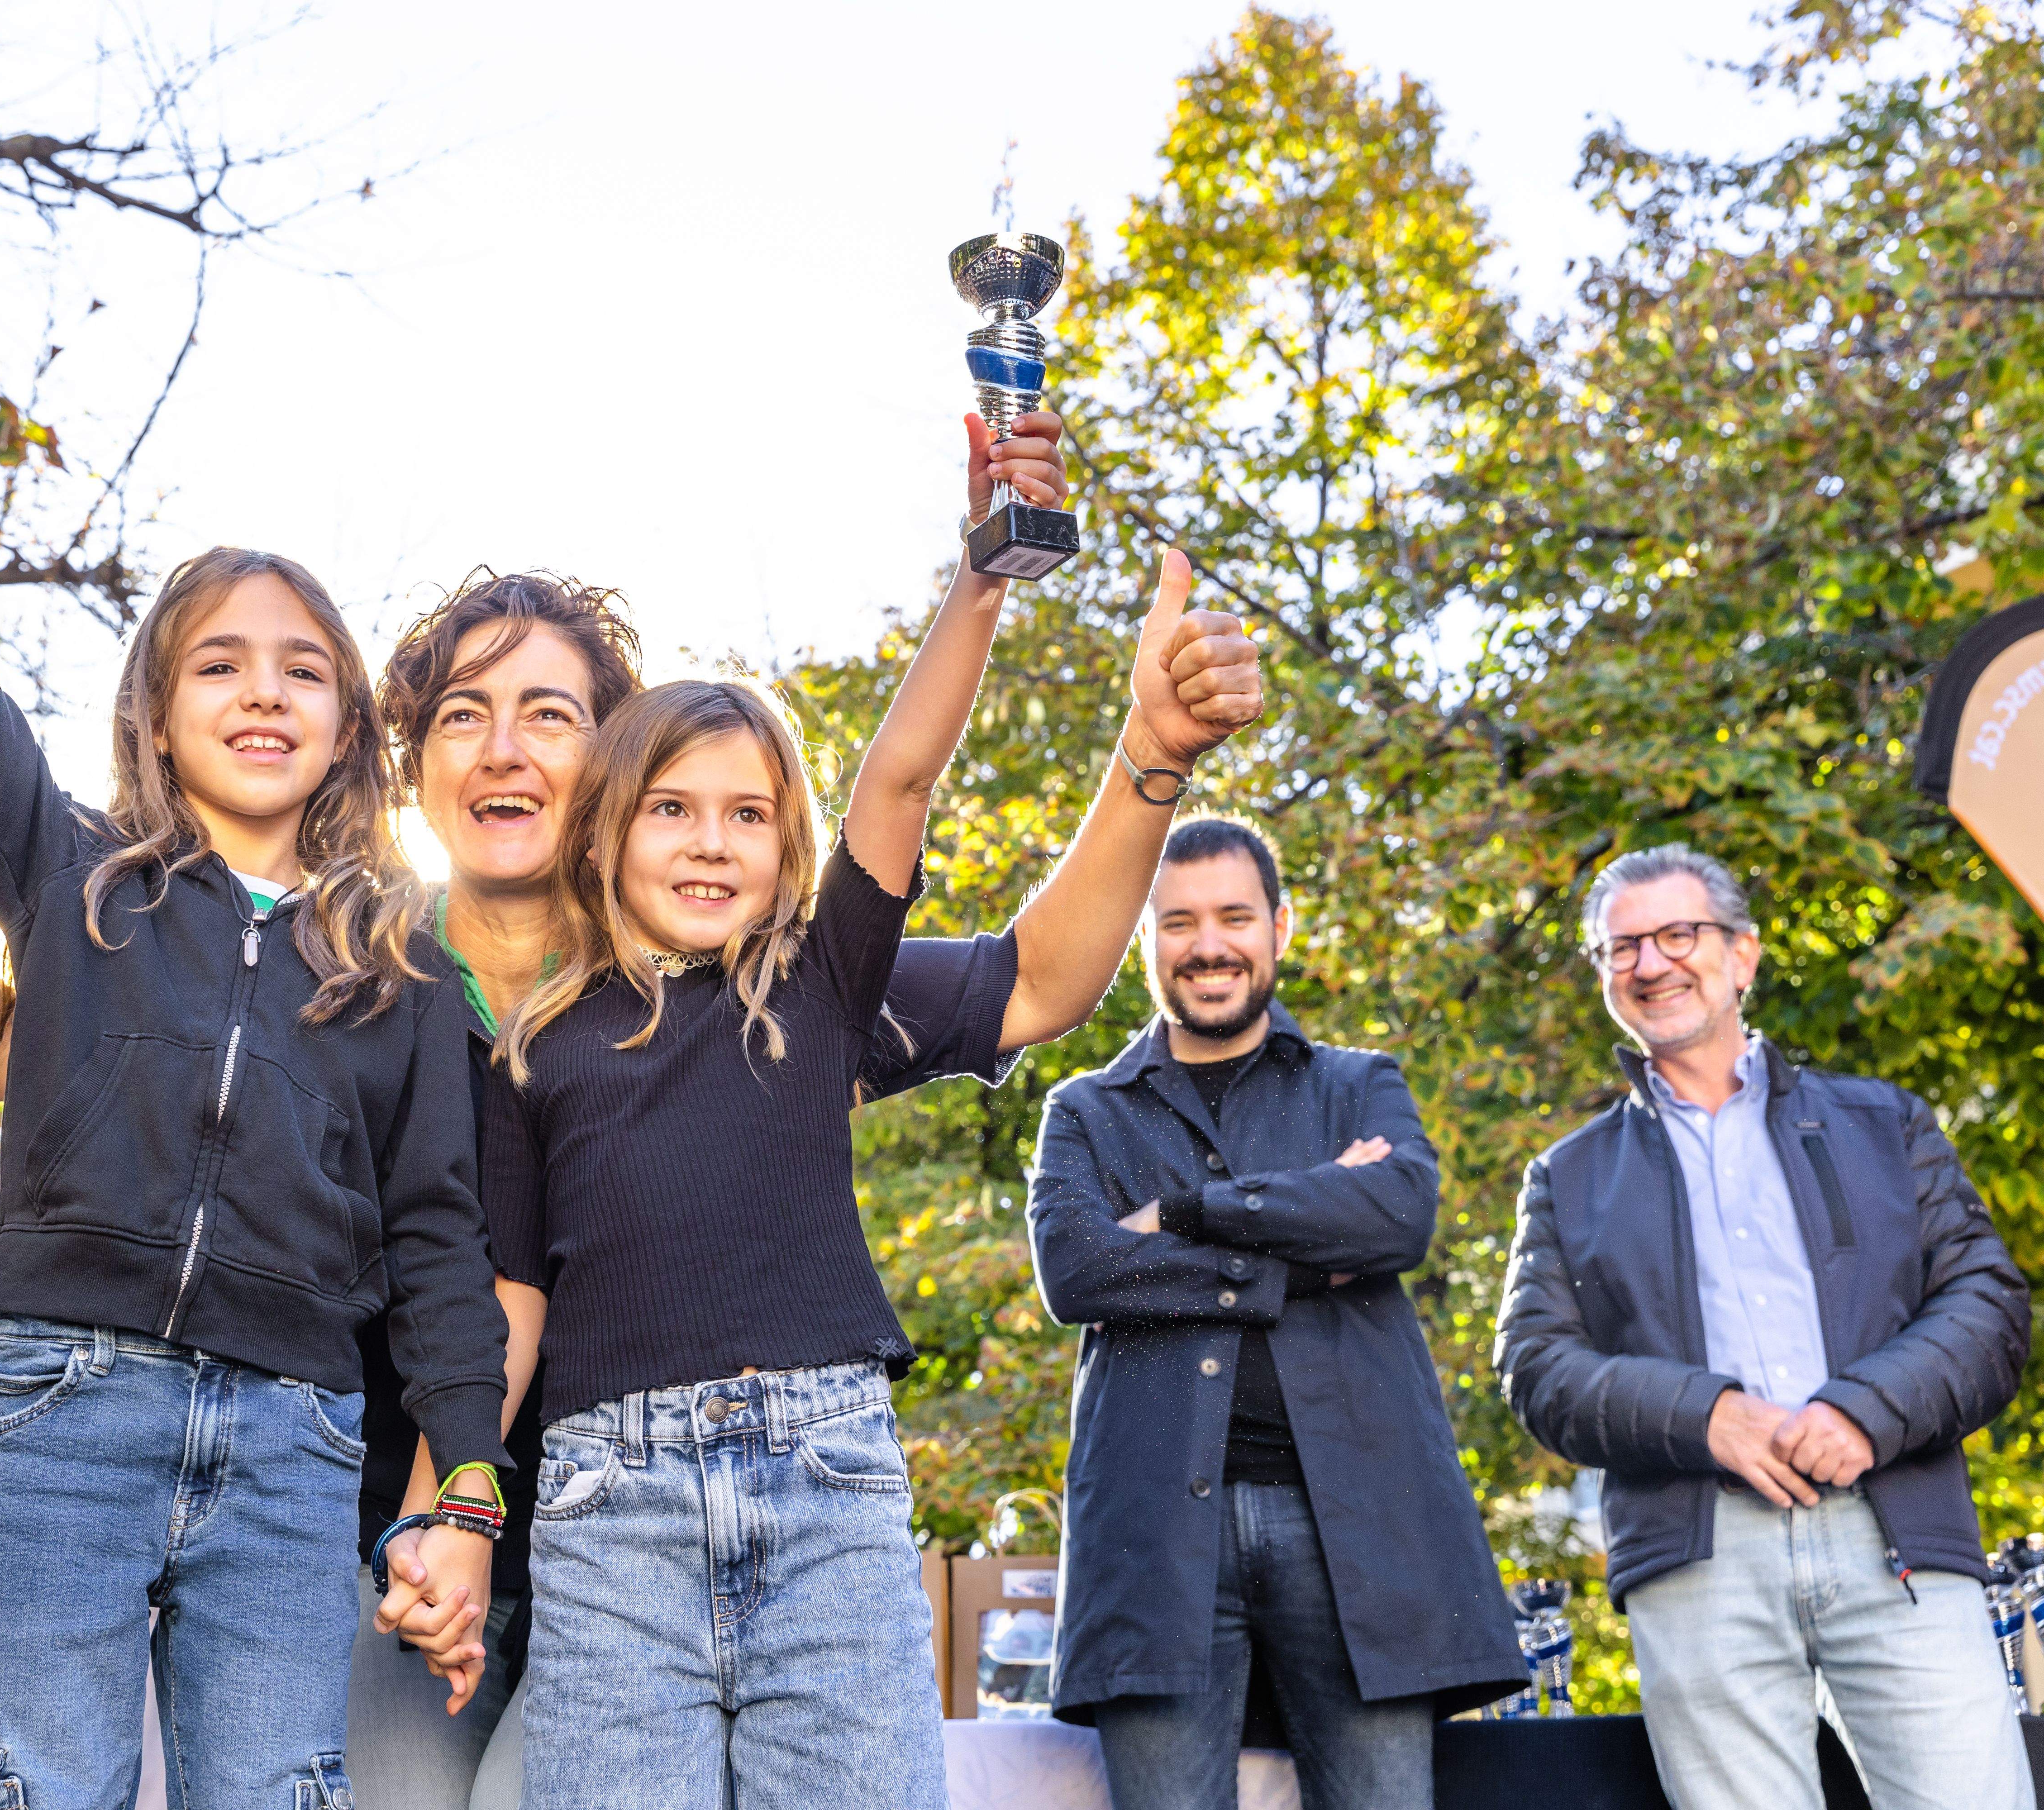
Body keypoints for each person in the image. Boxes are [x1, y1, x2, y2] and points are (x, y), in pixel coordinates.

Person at [0, 210, 1263, 1810]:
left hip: (670, 1543)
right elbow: (13, 1043)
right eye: (463, 715)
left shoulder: (738, 984)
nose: (502, 749)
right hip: (392, 1557)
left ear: (614, 762)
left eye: (549, 714)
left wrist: (1149, 768)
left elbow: (1038, 975)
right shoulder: (344, 965)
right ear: (404, 760)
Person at [0, 199, 514, 1810]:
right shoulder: (74, 875)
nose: (264, 690)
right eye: (221, 664)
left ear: (345, 725)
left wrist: (462, 1484)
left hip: (295, 1447)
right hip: (70, 1406)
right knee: (26, 1785)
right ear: (159, 707)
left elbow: (435, 1241)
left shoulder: (398, 960)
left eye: (301, 669)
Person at [466, 410, 1260, 1806]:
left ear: (790, 852)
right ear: (605, 834)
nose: (712, 840)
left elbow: (911, 792)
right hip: (607, 1518)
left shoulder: (820, 987)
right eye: (671, 810)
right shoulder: (533, 1047)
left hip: (824, 1488)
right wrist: (461, 1506)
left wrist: (1004, 597)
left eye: (750, 815)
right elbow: (511, 1306)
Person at [1495, 842, 2033, 1810]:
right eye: (1621, 948)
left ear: (1742, 955)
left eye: (1677, 934)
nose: (1651, 962)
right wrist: (1708, 1416)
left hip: (1894, 1527)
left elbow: (1988, 1305)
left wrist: (1865, 1411)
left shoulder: (1886, 1123)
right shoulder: (1566, 1178)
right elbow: (1536, 1366)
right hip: (1698, 1557)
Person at [1024, 818, 1523, 1810]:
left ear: (1281, 926)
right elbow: (1078, 1270)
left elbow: (1395, 1214)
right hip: (1153, 1536)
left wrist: (1185, 1212)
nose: (1210, 943)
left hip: (1359, 1535)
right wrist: (1292, 1250)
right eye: (1180, 922)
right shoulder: (1086, 1111)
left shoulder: (1359, 1084)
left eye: (1235, 916)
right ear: (1146, 939)